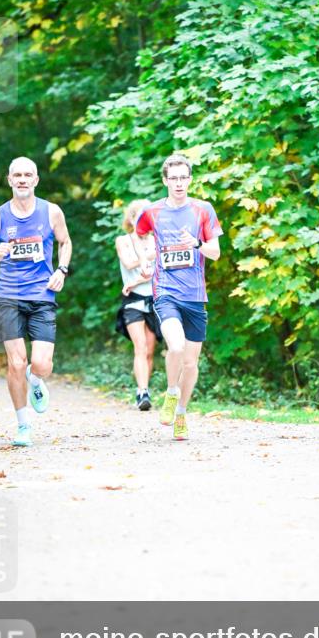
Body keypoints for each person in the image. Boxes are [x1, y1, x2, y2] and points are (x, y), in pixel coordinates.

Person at [0, 156, 72, 447]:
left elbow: (65, 242)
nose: (22, 179)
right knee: (16, 363)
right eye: (17, 175)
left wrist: (61, 270)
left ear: (35, 180)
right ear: (9, 180)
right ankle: (22, 426)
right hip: (9, 296)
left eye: (27, 175)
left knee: (41, 364)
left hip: (42, 296)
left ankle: (36, 378)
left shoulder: (51, 211)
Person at [135, 153, 222, 441]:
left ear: (190, 179)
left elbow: (215, 252)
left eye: (184, 177)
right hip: (166, 292)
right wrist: (145, 259)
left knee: (191, 363)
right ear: (165, 181)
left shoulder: (203, 210)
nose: (179, 183)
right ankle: (171, 392)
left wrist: (196, 243)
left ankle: (181, 413)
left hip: (195, 295)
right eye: (173, 178)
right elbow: (140, 234)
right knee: (175, 345)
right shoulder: (152, 211)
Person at [115, 199, 160, 411]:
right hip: (133, 301)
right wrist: (152, 255)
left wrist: (135, 281)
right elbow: (129, 263)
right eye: (140, 217)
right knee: (140, 347)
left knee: (150, 350)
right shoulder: (123, 240)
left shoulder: (157, 239)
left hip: (154, 299)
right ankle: (142, 392)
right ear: (132, 219)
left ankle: (144, 388)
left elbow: (157, 271)